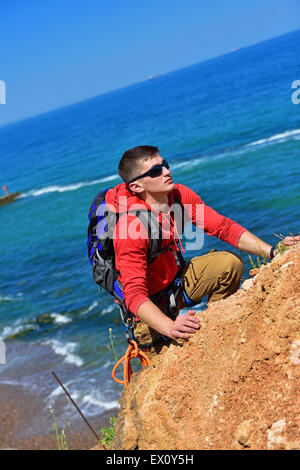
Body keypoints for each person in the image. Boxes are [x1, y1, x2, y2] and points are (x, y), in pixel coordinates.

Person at [105, 146, 299, 358]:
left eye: (165, 165)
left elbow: (224, 228)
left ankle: (215, 331)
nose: (166, 172)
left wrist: (273, 252)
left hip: (175, 284)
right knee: (170, 374)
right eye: (155, 171)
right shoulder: (129, 228)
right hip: (148, 315)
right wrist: (170, 327)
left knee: (228, 264)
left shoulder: (177, 195)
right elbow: (134, 295)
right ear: (136, 186)